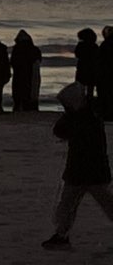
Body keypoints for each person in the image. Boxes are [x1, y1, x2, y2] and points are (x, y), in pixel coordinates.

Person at [42, 83, 113, 251]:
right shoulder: (89, 116)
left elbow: (60, 131)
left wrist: (69, 116)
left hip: (84, 171)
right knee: (71, 205)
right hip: (89, 171)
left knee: (70, 205)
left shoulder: (83, 119)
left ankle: (61, 235)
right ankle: (61, 235)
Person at [10, 30, 43, 113]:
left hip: (19, 73)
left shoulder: (16, 49)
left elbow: (13, 61)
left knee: (18, 90)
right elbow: (38, 60)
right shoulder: (34, 49)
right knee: (30, 89)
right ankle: (30, 106)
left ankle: (18, 106)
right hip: (30, 72)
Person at [99, 27, 113, 120]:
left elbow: (101, 59)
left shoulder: (105, 44)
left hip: (106, 73)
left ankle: (107, 114)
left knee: (106, 93)